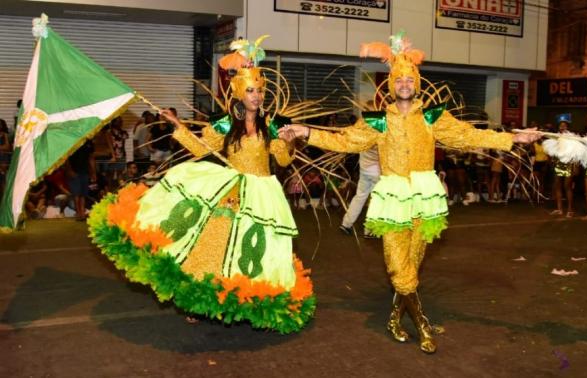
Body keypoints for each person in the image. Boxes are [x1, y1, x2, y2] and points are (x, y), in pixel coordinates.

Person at [280, 32, 541, 353]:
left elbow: (466, 135)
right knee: (397, 265)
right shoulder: (377, 122)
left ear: (416, 82)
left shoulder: (432, 117)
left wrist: (514, 138)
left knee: (412, 264)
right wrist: (306, 131)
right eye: (398, 79)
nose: (404, 83)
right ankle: (421, 324)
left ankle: (394, 317)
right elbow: (344, 141)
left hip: (425, 198)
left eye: (409, 78)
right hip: (391, 199)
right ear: (390, 84)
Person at [88, 36, 315, 333]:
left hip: (260, 194)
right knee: (211, 247)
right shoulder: (224, 124)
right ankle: (198, 301)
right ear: (238, 92)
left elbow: (282, 161)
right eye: (250, 90)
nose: (257, 96)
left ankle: (240, 302)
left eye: (260, 91)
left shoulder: (272, 124)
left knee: (251, 254)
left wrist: (289, 143)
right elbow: (201, 148)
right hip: (228, 192)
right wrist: (178, 126)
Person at [339, 145, 380, 237]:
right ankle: (369, 230)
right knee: (375, 201)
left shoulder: (364, 135)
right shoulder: (380, 135)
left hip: (364, 171)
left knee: (359, 197)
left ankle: (346, 224)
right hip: (377, 173)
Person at [550, 114, 575, 217]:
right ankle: (559, 209)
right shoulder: (556, 137)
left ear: (567, 126)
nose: (562, 127)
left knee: (567, 187)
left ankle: (570, 210)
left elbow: (575, 153)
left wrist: (575, 166)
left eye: (564, 125)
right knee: (558, 186)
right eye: (561, 125)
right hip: (558, 164)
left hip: (568, 164)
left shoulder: (572, 137)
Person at [66, 140, 96, 220]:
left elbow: (91, 158)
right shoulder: (72, 140)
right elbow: (66, 157)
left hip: (84, 171)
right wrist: (69, 170)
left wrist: (93, 173)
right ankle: (78, 213)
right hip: (74, 170)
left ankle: (82, 212)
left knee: (83, 193)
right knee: (76, 193)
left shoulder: (89, 143)